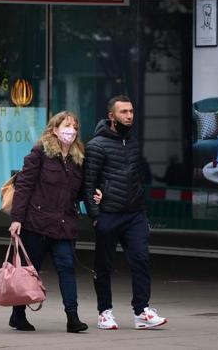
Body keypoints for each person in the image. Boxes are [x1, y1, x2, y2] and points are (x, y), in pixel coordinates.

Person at [8, 111, 100, 333]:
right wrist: (17, 219)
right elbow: (24, 186)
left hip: (64, 225)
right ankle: (18, 315)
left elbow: (77, 191)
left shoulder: (79, 157)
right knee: (31, 272)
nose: (71, 130)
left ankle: (73, 318)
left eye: (75, 127)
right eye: (66, 126)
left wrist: (95, 196)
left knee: (67, 267)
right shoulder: (40, 152)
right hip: (36, 224)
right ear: (54, 129)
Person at [83, 95, 167, 330]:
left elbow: (137, 178)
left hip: (134, 214)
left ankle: (142, 312)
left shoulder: (132, 142)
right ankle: (104, 312)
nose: (129, 116)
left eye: (131, 111)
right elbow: (88, 184)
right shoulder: (96, 146)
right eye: (123, 112)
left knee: (141, 260)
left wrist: (142, 211)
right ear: (112, 116)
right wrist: (96, 216)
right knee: (103, 266)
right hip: (108, 215)